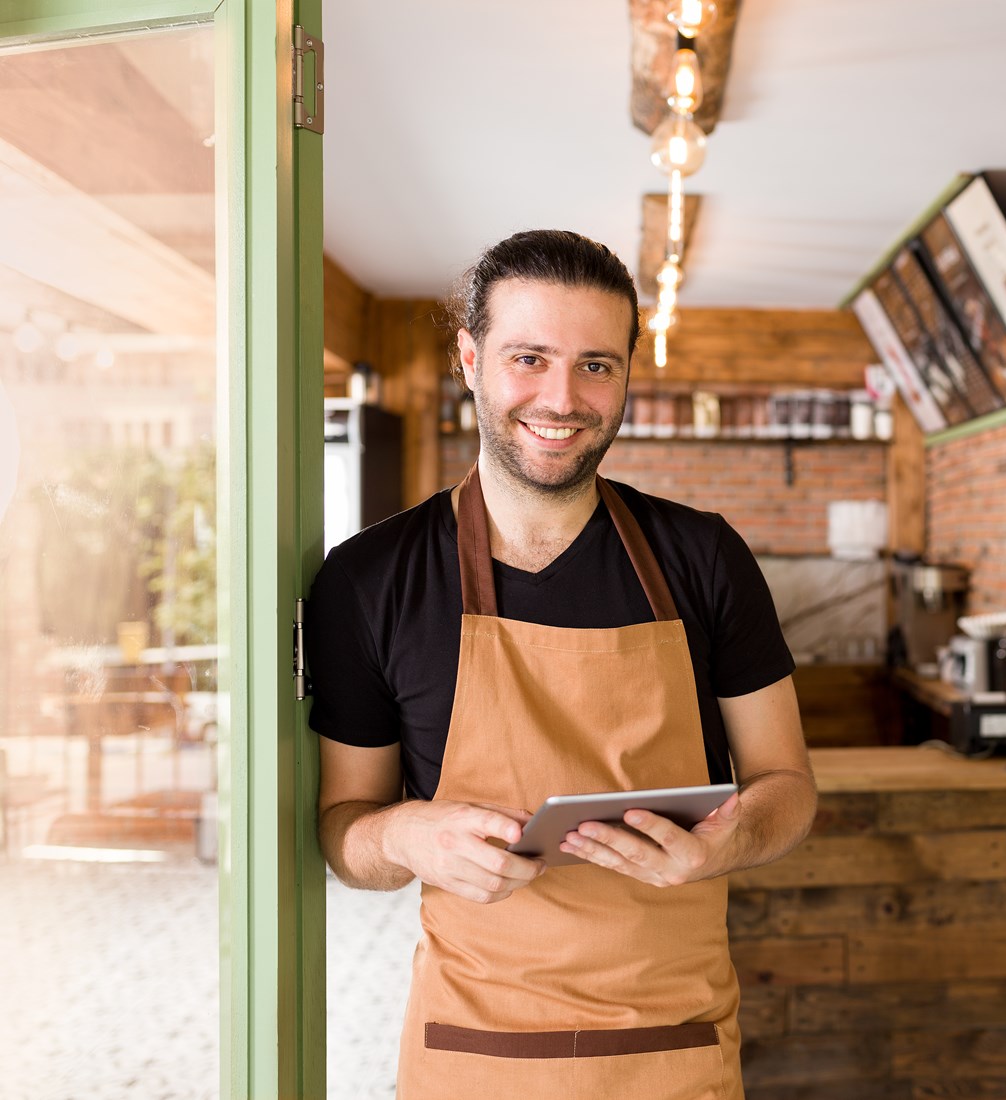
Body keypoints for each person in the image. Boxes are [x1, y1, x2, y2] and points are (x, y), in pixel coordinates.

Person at [309, 229, 817, 1099]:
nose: (562, 396)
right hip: (474, 1053)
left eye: (596, 365)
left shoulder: (704, 557)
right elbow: (343, 831)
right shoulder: (369, 580)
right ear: (469, 359)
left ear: (627, 375)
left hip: (675, 1048)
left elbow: (789, 786)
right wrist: (406, 833)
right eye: (529, 357)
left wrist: (725, 842)